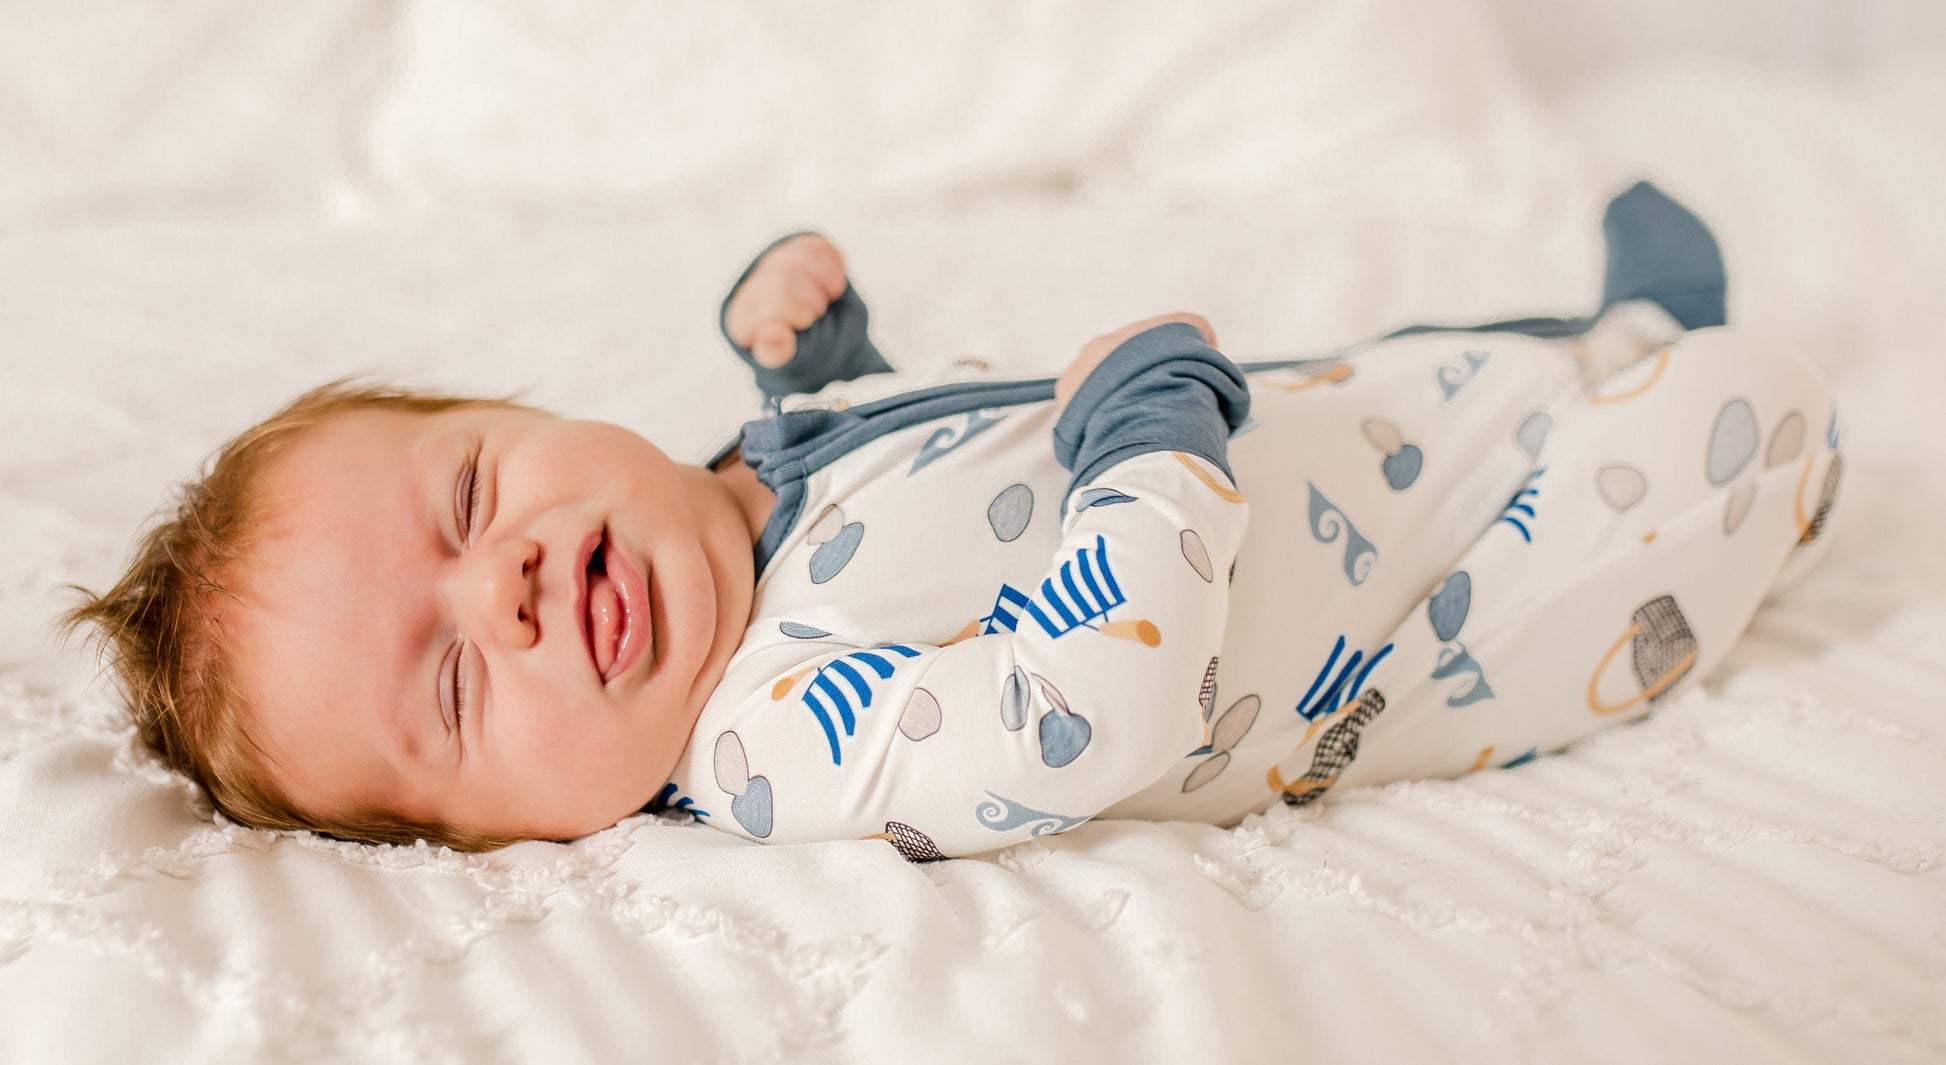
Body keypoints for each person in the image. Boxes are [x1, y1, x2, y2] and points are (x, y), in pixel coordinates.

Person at [64, 183, 1842, 860]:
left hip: (1319, 440)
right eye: (450, 688)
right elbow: (1081, 700)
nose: (508, 583)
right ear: (498, 837)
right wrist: (1147, 445)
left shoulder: (753, 472)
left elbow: (954, 494)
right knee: (1733, 414)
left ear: (531, 413)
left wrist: (842, 362)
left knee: (1418, 373)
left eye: (469, 494)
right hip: (1438, 617)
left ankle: (1605, 336)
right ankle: (1743, 444)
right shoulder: (775, 736)